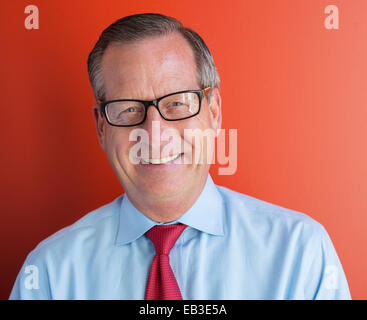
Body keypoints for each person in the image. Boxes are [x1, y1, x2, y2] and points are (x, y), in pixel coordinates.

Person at [9, 13, 351, 300]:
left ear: (214, 112)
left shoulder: (301, 255)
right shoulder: (49, 274)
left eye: (176, 103)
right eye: (128, 109)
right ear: (101, 127)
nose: (155, 134)